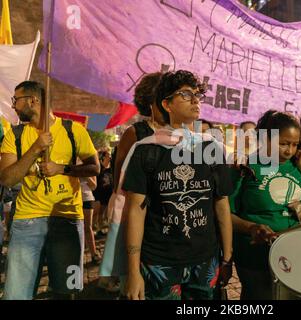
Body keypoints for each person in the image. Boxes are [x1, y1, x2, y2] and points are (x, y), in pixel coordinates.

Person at [123, 70, 233, 300]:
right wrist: (133, 271)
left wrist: (227, 257)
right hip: (159, 263)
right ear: (167, 104)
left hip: (205, 261)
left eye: (196, 94)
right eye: (185, 94)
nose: (195, 100)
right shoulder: (146, 150)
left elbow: (222, 205)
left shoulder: (211, 149)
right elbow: (135, 211)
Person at [0, 81, 100, 300]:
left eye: (16, 100)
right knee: (15, 295)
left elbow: (94, 167)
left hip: (68, 221)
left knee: (67, 291)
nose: (14, 106)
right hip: (27, 222)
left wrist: (63, 168)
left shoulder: (74, 130)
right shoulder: (14, 135)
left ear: (33, 100)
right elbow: (7, 178)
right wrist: (36, 148)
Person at [229, 110, 301, 300]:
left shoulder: (296, 165)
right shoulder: (245, 166)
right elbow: (225, 214)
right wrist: (251, 227)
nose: (289, 151)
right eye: (283, 144)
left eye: (294, 145)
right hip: (255, 255)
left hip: (293, 251)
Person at [98, 72, 164, 295]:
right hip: (136, 210)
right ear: (153, 101)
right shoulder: (134, 132)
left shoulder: (180, 133)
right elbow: (120, 179)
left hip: (162, 214)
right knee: (135, 274)